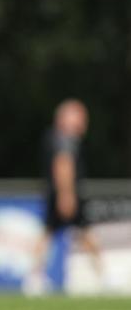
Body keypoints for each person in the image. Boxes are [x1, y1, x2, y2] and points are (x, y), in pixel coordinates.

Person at [23, 99, 103, 296]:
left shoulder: (54, 136)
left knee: (53, 233)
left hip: (58, 193)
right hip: (65, 194)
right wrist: (66, 195)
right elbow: (63, 165)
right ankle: (102, 276)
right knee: (80, 232)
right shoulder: (65, 139)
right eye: (80, 118)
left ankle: (34, 277)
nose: (83, 123)